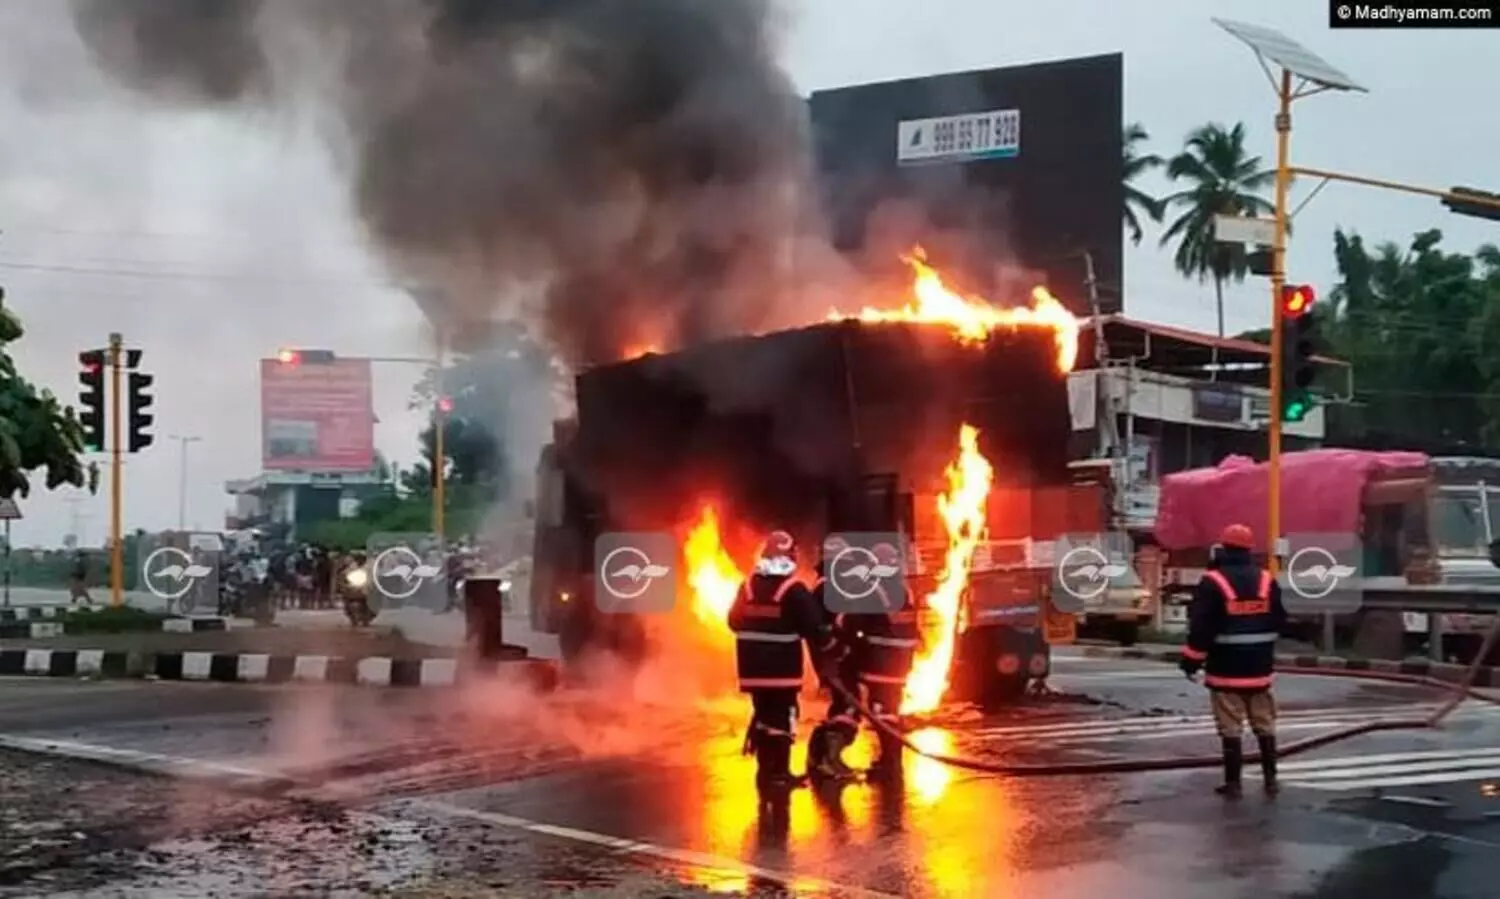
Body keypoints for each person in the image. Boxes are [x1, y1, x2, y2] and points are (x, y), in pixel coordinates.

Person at [1179, 523, 1287, 798]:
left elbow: (1201, 627)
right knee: (1265, 723)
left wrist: (1191, 661)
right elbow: (1280, 619)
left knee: (1230, 727)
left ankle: (1234, 783)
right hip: (1260, 669)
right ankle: (1271, 780)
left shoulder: (1213, 581)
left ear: (1223, 548)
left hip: (1226, 670)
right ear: (1250, 549)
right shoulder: (1266, 579)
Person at [727, 530, 826, 793]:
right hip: (781, 671)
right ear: (790, 556)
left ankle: (765, 772)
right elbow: (814, 628)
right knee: (783, 718)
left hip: (752, 671)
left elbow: (733, 622)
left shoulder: (746, 586)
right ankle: (779, 772)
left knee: (763, 715)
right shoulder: (792, 590)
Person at [838, 541, 919, 783]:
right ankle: (891, 760)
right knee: (891, 710)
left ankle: (890, 763)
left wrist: (842, 644)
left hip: (881, 662)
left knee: (881, 711)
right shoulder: (904, 590)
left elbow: (852, 623)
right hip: (901, 663)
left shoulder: (873, 589)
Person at [806, 535, 859, 782]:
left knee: (842, 705)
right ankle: (829, 759)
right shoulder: (828, 588)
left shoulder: (826, 586)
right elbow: (826, 627)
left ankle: (819, 758)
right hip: (834, 659)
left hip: (834, 658)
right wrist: (840, 650)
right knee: (849, 705)